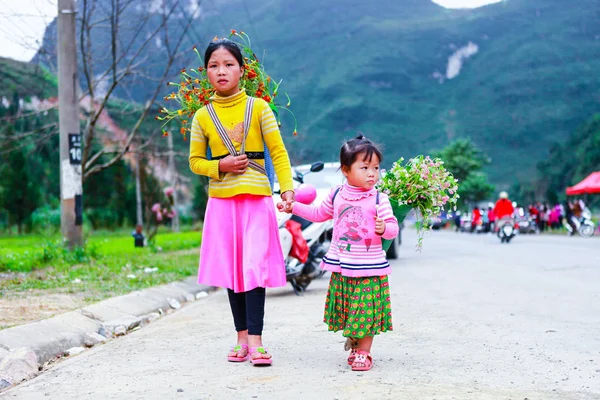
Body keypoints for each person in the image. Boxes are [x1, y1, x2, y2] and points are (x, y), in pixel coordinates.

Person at [189, 39, 295, 366]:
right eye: (214, 66)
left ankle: (257, 340)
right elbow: (195, 161)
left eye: (228, 64)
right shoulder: (202, 117)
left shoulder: (259, 107)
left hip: (257, 197)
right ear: (206, 72)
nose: (221, 71)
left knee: (253, 267)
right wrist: (219, 166)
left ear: (242, 70)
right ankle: (240, 338)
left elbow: (277, 151)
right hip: (222, 201)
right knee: (234, 270)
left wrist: (287, 188)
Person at [278, 135, 399, 372]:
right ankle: (355, 344)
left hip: (369, 268)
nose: (372, 173)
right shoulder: (337, 195)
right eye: (364, 168)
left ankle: (364, 352)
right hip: (344, 266)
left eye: (375, 168)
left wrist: (384, 228)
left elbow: (392, 228)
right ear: (345, 169)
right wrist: (294, 207)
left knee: (365, 310)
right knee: (349, 309)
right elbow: (316, 214)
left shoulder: (379, 198)